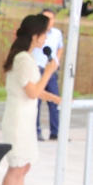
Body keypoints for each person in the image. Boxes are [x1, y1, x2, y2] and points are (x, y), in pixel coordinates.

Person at [0, 14, 60, 185]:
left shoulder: (27, 57)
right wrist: (49, 72)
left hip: (25, 118)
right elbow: (32, 92)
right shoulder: (23, 59)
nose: (46, 38)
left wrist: (54, 98)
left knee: (23, 167)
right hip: (18, 120)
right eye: (44, 33)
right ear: (35, 35)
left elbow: (34, 89)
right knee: (16, 167)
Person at [33, 9, 62, 141]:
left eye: (51, 18)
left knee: (55, 101)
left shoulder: (57, 33)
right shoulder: (35, 33)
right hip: (37, 69)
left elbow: (60, 47)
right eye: (45, 18)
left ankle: (55, 131)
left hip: (50, 70)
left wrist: (57, 61)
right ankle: (36, 131)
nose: (48, 21)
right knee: (36, 101)